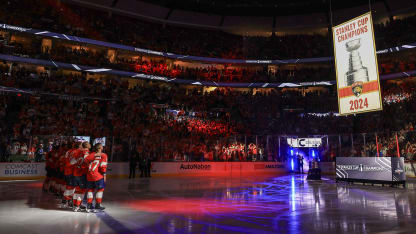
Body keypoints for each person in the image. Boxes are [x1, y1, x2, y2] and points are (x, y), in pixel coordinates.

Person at [85, 143, 107, 212]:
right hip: (97, 175)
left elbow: (86, 160)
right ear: (100, 148)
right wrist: (104, 175)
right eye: (102, 146)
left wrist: (94, 155)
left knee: (90, 189)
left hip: (89, 175)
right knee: (100, 189)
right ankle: (98, 204)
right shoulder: (103, 155)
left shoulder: (92, 154)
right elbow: (103, 167)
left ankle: (89, 205)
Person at [71, 141, 91, 212]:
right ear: (88, 146)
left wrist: (78, 165)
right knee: (82, 191)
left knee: (77, 190)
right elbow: (87, 163)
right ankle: (77, 206)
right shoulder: (86, 153)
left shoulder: (77, 152)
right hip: (82, 174)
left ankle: (74, 205)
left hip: (76, 173)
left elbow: (72, 162)